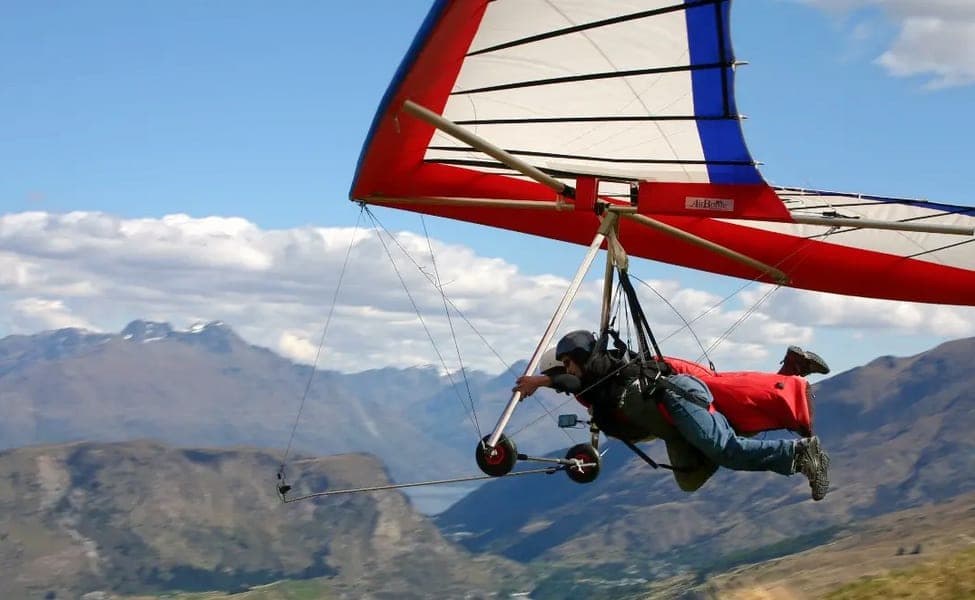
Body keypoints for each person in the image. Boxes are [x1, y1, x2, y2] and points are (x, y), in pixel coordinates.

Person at [516, 332, 830, 500]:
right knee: (690, 477)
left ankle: (802, 455)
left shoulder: (598, 370)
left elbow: (572, 381)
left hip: (676, 397)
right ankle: (792, 369)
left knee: (727, 449)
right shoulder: (594, 392)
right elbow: (575, 386)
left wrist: (540, 381)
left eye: (570, 362)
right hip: (671, 422)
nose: (569, 370)